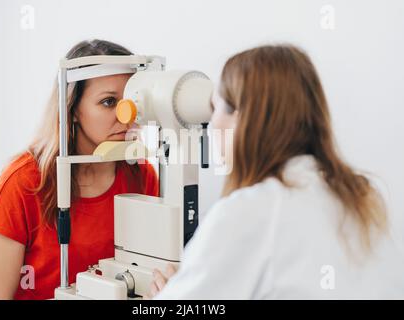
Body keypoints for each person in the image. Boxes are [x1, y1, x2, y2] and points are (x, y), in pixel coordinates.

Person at [149, 44, 404, 299]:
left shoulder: (251, 212)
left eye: (218, 108)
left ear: (246, 119)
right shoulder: (363, 195)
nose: (212, 123)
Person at [0, 39, 159, 300]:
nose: (125, 115)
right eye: (108, 102)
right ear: (72, 109)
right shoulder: (22, 183)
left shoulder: (141, 174)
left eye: (130, 102)